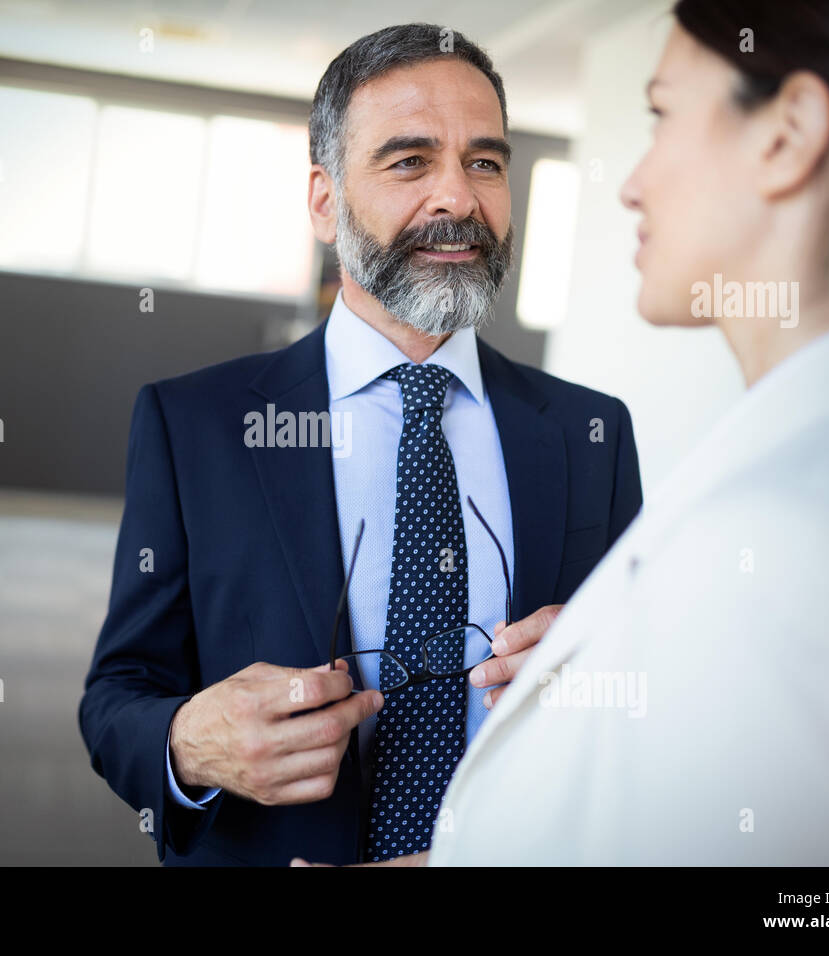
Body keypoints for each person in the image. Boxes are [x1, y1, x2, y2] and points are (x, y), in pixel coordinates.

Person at [298, 0, 829, 867]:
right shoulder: (827, 474)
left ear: (787, 135)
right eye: (410, 160)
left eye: (663, 116)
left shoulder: (810, 536)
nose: (632, 181)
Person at [80, 23, 643, 866]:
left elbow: (647, 696)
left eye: (485, 162)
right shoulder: (194, 423)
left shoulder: (592, 433)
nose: (458, 199)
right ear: (324, 201)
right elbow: (118, 697)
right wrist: (190, 743)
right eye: (411, 161)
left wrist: (606, 687)